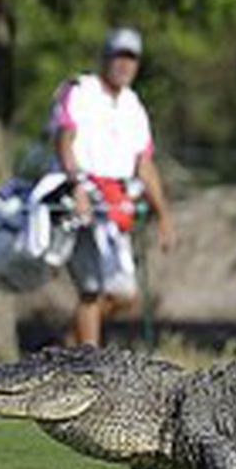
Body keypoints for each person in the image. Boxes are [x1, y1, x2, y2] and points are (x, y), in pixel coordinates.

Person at [47, 27, 176, 346]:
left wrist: (164, 215)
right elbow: (64, 141)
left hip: (116, 205)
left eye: (131, 58)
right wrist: (76, 185)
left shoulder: (133, 106)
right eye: (119, 56)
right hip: (80, 199)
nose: (124, 64)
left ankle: (69, 344)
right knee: (91, 289)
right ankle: (87, 364)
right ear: (105, 58)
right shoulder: (81, 90)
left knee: (125, 294)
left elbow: (144, 165)